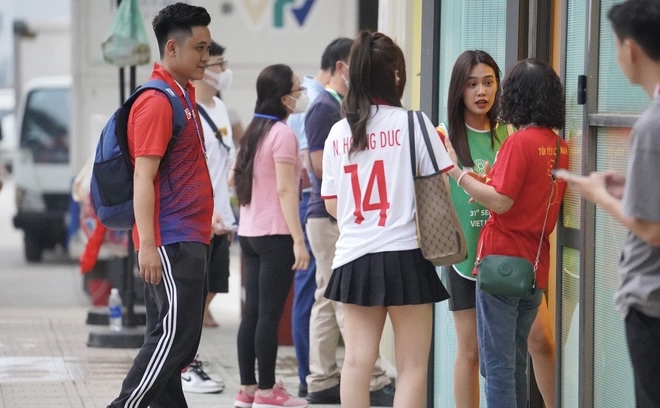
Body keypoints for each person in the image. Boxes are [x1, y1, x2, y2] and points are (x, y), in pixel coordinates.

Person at [321, 31, 451, 408]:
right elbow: (439, 186)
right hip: (406, 254)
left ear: (353, 75)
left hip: (354, 255)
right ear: (395, 74)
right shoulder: (414, 124)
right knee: (412, 367)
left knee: (357, 363)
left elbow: (332, 203)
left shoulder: (338, 133)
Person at [106, 3, 214, 408]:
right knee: (172, 339)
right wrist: (147, 244)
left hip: (190, 237)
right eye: (199, 48)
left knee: (175, 345)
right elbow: (143, 177)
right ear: (172, 47)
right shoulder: (156, 101)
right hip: (171, 240)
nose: (206, 57)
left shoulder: (182, 93)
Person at [445, 58, 568, 408]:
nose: (483, 91)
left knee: (498, 366)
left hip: (501, 264)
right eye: (472, 83)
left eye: (490, 82)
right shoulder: (558, 146)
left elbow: (502, 201)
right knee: (514, 361)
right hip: (533, 265)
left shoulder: (517, 142)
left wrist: (457, 173)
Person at [555, 1, 660, 406]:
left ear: (630, 50)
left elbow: (651, 228)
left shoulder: (651, 124)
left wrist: (598, 194)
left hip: (651, 300)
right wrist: (631, 185)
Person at [305, 36, 394, 406]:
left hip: (330, 215)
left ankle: (322, 377)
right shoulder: (327, 109)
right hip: (331, 216)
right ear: (343, 66)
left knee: (326, 297)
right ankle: (369, 380)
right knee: (341, 300)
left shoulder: (331, 108)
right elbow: (319, 166)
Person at [231, 63, 311, 408]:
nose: (301, 94)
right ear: (284, 98)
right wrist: (298, 239)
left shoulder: (253, 130)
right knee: (268, 315)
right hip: (275, 234)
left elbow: (234, 179)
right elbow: (285, 191)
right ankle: (266, 392)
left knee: (252, 314)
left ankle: (247, 389)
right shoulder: (283, 134)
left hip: (249, 233)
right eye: (297, 89)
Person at [179, 40, 236, 395]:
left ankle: (186, 357)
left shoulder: (220, 108)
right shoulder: (189, 112)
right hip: (200, 218)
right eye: (218, 62)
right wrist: (209, 210)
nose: (223, 68)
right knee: (193, 294)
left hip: (222, 218)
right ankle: (185, 363)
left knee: (213, 286)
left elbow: (223, 164)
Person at [285, 37, 335, 398]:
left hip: (309, 204)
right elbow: (306, 166)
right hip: (311, 205)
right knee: (314, 293)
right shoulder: (318, 102)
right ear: (341, 66)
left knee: (315, 293)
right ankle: (309, 377)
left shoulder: (315, 99)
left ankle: (311, 376)